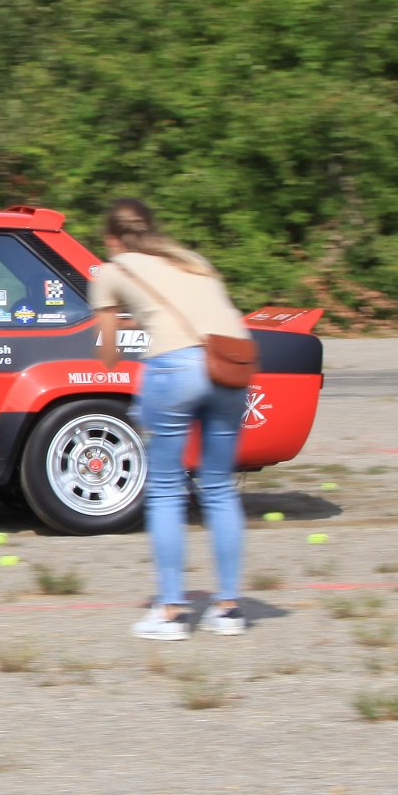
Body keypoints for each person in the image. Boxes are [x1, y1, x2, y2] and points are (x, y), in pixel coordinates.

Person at [89, 197, 251, 640]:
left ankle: (171, 612)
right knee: (218, 487)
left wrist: (114, 331)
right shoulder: (191, 260)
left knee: (164, 490)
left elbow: (107, 354)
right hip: (231, 365)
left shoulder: (112, 271)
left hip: (175, 370)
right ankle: (229, 609)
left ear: (111, 239)